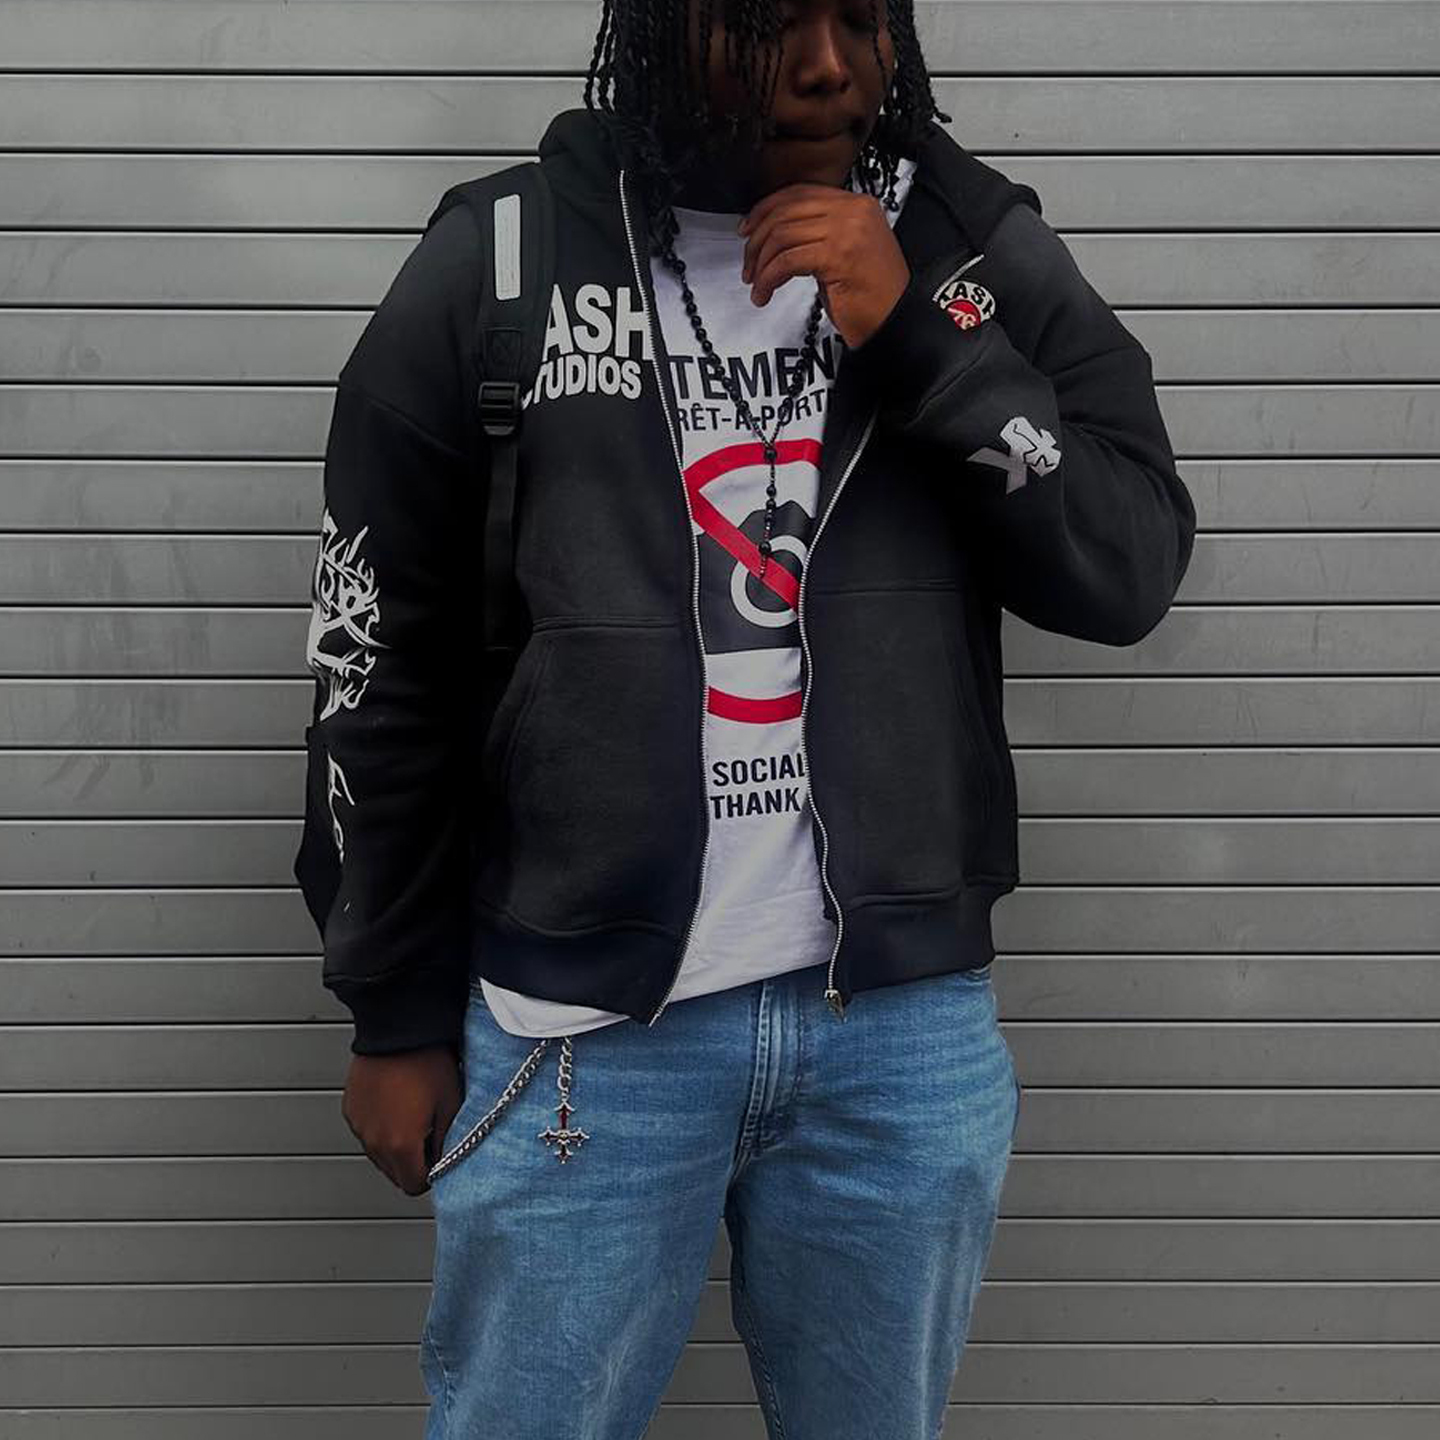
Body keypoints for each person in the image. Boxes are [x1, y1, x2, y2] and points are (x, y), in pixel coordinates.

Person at [298, 1, 1196, 1435]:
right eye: (771, 21)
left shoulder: (968, 248)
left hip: (896, 1036)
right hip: (583, 1039)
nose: (830, 66)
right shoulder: (507, 258)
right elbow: (378, 661)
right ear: (664, 24)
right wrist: (394, 1006)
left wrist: (923, 341)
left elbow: (1129, 561)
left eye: (861, 16)